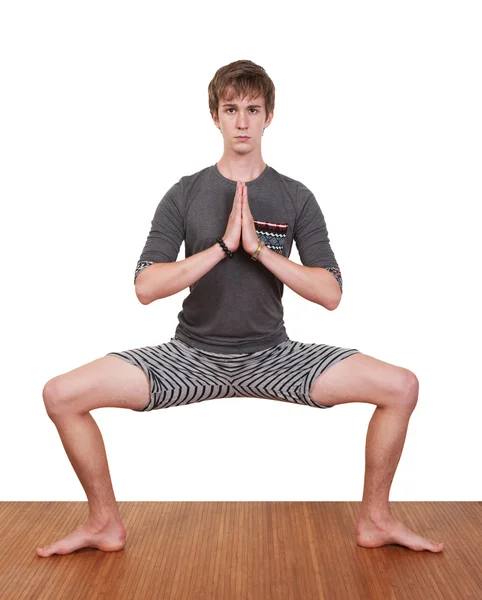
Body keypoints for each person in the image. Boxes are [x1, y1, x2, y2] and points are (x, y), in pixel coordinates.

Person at [37, 59, 444, 557]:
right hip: (190, 356)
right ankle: (104, 523)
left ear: (269, 115)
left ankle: (377, 519)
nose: (243, 121)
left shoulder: (296, 197)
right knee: (61, 395)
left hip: (273, 356)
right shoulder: (185, 193)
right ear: (215, 117)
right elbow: (145, 286)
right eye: (232, 109)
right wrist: (222, 249)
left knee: (401, 386)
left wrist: (259, 252)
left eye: (253, 109)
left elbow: (330, 293)